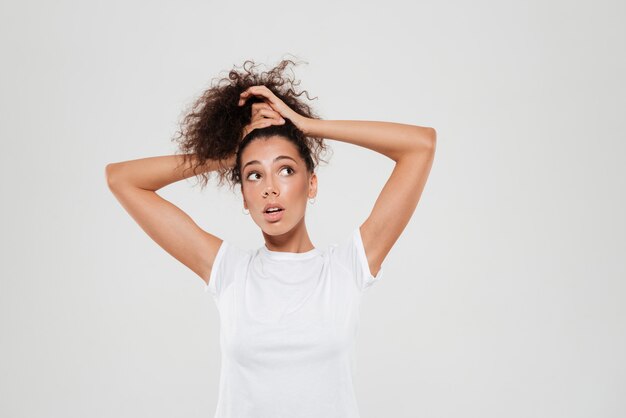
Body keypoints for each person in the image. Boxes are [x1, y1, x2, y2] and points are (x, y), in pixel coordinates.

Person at [105, 58, 436, 418]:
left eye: (286, 170)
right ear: (244, 198)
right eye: (253, 176)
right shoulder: (229, 271)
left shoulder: (347, 267)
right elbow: (121, 178)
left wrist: (307, 126)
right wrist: (231, 156)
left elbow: (421, 145)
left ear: (312, 183)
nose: (270, 189)